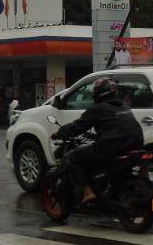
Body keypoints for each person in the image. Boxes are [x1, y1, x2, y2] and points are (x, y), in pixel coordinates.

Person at [51, 76, 144, 204]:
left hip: (112, 146)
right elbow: (115, 127)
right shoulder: (123, 106)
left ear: (99, 93)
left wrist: (60, 133)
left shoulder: (98, 109)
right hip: (136, 143)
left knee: (72, 158)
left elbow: (78, 126)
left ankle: (88, 192)